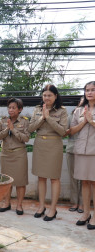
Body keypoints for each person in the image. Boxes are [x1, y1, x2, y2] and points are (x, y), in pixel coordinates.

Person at [28, 84, 68, 221]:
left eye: (50, 95)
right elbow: (30, 128)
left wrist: (49, 118)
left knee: (54, 177)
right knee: (41, 177)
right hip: (40, 144)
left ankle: (53, 208)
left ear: (55, 96)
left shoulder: (62, 111)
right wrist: (42, 117)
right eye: (44, 95)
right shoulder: (37, 109)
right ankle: (41, 206)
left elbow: (63, 132)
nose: (47, 98)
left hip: (54, 144)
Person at [0, 98, 30, 215]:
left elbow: (26, 138)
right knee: (6, 180)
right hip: (5, 154)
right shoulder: (3, 121)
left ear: (20, 109)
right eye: (9, 107)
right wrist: (7, 129)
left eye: (14, 108)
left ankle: (19, 205)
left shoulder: (24, 121)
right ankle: (6, 203)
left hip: (19, 154)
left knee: (20, 181)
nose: (11, 110)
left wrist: (13, 129)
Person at [68, 81, 95, 229]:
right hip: (81, 150)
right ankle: (86, 213)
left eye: (93, 90)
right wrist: (85, 121)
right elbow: (71, 131)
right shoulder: (79, 110)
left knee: (94, 183)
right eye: (87, 90)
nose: (89, 92)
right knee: (84, 182)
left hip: (94, 152)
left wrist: (92, 121)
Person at [65, 97, 84, 214]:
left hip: (86, 151)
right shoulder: (71, 116)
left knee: (83, 179)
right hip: (72, 149)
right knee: (72, 177)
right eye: (81, 103)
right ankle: (74, 202)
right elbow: (67, 131)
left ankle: (82, 203)